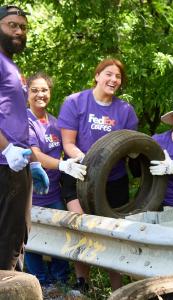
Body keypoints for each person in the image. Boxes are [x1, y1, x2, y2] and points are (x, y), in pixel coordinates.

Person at [57, 58, 138, 291]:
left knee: (113, 234)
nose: (113, 80)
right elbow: (68, 144)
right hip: (78, 173)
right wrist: (89, 163)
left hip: (113, 181)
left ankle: (118, 289)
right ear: (97, 75)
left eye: (118, 77)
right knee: (82, 227)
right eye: (108, 74)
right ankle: (83, 283)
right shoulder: (75, 102)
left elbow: (131, 146)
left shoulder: (125, 111)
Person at [24, 72, 87, 288]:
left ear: (50, 92)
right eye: (35, 90)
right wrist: (62, 164)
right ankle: (40, 282)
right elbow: (35, 155)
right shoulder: (24, 121)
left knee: (61, 235)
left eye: (44, 90)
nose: (40, 94)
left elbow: (67, 148)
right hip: (30, 194)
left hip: (54, 193)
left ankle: (61, 281)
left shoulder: (55, 122)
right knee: (32, 240)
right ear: (27, 93)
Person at [0, 5, 49, 271]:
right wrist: (7, 150)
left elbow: (14, 118)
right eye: (11, 25)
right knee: (8, 244)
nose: (19, 31)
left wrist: (31, 161)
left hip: (17, 165)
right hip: (4, 165)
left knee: (16, 239)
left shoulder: (12, 66)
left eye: (23, 27)